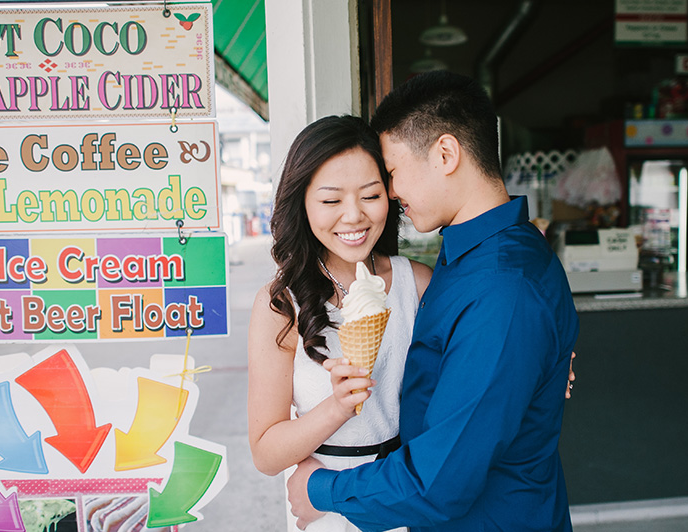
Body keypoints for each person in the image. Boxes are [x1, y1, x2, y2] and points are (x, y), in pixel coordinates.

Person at [287, 71, 580, 531]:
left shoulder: (503, 286)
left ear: (445, 154)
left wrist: (320, 490)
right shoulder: (477, 254)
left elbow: (439, 482)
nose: (392, 191)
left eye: (393, 172)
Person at [247, 115, 434, 531]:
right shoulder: (280, 304)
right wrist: (336, 408)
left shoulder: (417, 284)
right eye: (331, 201)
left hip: (409, 494)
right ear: (303, 203)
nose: (353, 216)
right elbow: (265, 453)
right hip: (324, 505)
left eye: (370, 195)